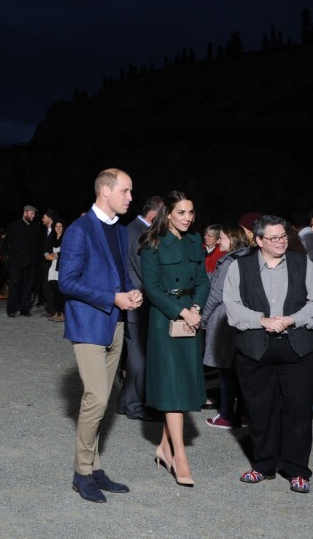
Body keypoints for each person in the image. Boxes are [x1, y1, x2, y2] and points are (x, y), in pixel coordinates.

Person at [58, 168, 143, 503]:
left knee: (102, 401)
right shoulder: (79, 230)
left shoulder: (120, 232)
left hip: (115, 324)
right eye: (125, 190)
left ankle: (95, 466)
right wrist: (112, 297)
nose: (130, 197)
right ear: (105, 191)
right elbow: (67, 282)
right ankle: (82, 473)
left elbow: (120, 275)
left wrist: (131, 292)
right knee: (97, 399)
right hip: (90, 325)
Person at [223, 214, 313, 494]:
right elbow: (232, 307)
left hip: (296, 345)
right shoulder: (240, 266)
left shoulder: (303, 263)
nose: (280, 242)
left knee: (298, 410)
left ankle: (297, 470)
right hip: (255, 347)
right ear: (258, 240)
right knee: (260, 411)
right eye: (273, 238)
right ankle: (263, 466)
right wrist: (262, 320)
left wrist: (291, 319)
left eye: (283, 236)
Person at [140, 190, 210, 487]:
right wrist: (181, 311)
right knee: (171, 385)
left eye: (191, 212)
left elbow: (204, 280)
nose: (187, 218)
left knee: (182, 380)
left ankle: (164, 448)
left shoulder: (195, 242)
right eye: (181, 212)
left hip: (190, 320)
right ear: (168, 213)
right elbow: (152, 289)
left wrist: (195, 308)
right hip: (165, 320)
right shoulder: (151, 243)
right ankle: (180, 456)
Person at [115, 195, 165, 421]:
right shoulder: (139, 233)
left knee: (136, 353)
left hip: (134, 300)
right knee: (139, 355)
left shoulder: (129, 228)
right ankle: (135, 405)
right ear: (153, 216)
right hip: (139, 301)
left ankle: (126, 402)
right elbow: (146, 273)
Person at [202, 223, 251, 429]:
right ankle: (244, 415)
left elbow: (216, 295)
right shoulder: (248, 257)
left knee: (226, 371)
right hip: (243, 317)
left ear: (232, 240)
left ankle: (225, 415)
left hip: (225, 318)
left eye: (221, 238)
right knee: (240, 370)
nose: (218, 241)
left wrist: (204, 319)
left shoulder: (229, 261)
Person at [0, 205, 42, 318]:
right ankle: (11, 309)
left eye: (34, 214)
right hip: (16, 263)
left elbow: (39, 246)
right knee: (15, 286)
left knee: (27, 287)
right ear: (25, 213)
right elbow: (6, 241)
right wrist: (0, 253)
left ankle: (25, 309)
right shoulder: (14, 225)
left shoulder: (36, 228)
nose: (33, 216)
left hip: (31, 263)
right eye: (31, 213)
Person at [45, 219, 65, 322]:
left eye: (60, 226)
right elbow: (46, 250)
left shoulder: (66, 238)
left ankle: (61, 313)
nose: (58, 228)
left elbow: (67, 251)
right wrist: (46, 255)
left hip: (60, 267)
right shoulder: (52, 238)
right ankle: (56, 312)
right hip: (52, 266)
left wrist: (56, 255)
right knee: (53, 289)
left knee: (59, 291)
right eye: (56, 226)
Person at [39, 208, 58, 317]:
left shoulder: (56, 230)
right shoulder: (44, 231)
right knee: (45, 286)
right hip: (44, 263)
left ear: (50, 218)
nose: (42, 219)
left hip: (53, 262)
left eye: (44, 217)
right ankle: (51, 309)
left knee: (52, 286)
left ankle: (56, 310)